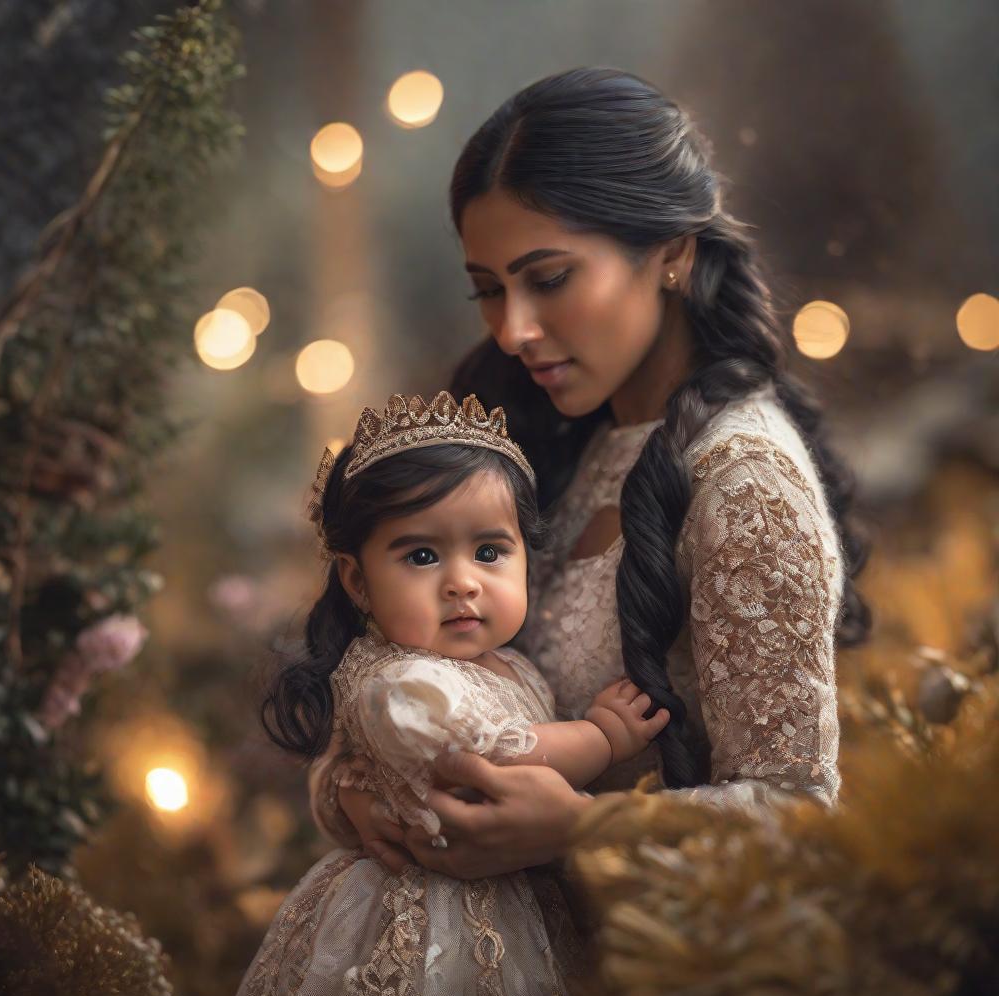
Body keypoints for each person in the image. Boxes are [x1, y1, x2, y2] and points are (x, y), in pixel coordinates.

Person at [314, 67, 869, 881]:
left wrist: (585, 828)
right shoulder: (545, 435)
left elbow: (798, 818)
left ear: (672, 254)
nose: (513, 331)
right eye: (489, 291)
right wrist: (361, 798)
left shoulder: (744, 478)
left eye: (548, 279)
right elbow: (396, 690)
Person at [229, 391, 669, 996]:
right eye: (422, 556)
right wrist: (600, 736)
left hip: (519, 903)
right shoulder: (404, 684)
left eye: (490, 552)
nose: (463, 581)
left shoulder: (506, 663)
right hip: (429, 922)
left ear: (525, 553)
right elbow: (494, 761)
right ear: (358, 581)